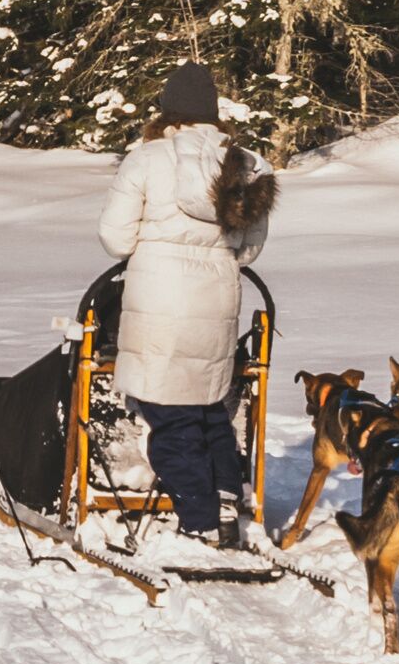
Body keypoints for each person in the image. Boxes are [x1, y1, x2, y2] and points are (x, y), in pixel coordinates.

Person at [99, 60, 278, 546]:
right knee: (205, 406)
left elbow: (115, 238)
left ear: (167, 112)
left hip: (158, 298)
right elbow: (249, 250)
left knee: (168, 412)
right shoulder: (245, 165)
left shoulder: (147, 158)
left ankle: (199, 522)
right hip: (217, 297)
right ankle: (225, 494)